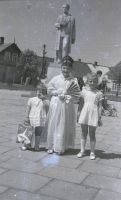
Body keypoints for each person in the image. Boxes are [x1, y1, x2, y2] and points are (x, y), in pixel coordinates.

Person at [46, 56, 80, 155]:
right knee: (54, 123)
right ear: (61, 68)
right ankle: (51, 145)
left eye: (68, 68)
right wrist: (57, 92)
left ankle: (61, 146)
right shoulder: (56, 79)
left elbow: (76, 95)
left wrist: (67, 96)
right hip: (56, 104)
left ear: (71, 69)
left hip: (66, 106)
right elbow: (49, 90)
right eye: (64, 67)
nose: (66, 70)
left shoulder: (73, 81)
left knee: (64, 124)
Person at [77, 73, 103, 160]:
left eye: (94, 81)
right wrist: (78, 113)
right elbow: (81, 104)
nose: (92, 83)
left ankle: (92, 152)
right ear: (87, 82)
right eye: (90, 81)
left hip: (93, 114)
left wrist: (99, 117)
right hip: (85, 113)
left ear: (97, 82)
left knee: (92, 133)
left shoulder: (99, 93)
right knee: (83, 133)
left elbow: (100, 106)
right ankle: (82, 150)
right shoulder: (84, 91)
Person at [22, 84, 49, 151]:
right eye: (38, 91)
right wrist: (26, 117)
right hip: (32, 117)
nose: (39, 93)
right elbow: (28, 109)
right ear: (36, 91)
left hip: (41, 118)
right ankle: (26, 144)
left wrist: (43, 98)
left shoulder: (46, 101)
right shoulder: (31, 99)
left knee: (38, 132)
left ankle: (37, 145)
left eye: (42, 91)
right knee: (29, 131)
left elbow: (48, 107)